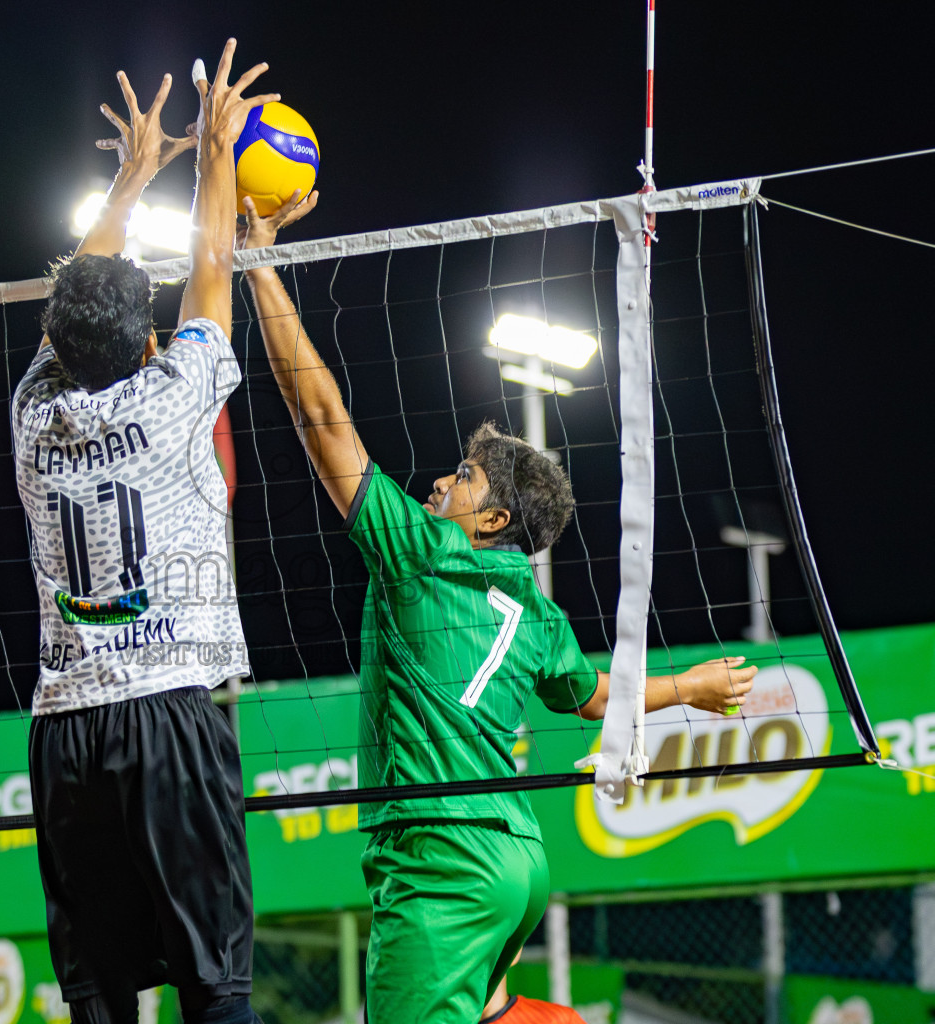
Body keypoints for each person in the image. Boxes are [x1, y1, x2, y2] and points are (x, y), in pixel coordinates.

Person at [238, 195, 758, 1024]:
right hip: (517, 863)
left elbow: (318, 414)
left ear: (492, 523)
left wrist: (253, 262)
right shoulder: (535, 610)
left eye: (463, 478)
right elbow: (594, 696)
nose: (440, 482)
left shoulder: (420, 552)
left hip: (442, 863)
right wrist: (684, 687)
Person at [10, 40, 275, 1024]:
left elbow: (73, 303)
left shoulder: (32, 416)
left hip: (66, 726)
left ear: (59, 342)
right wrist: (216, 147)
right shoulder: (176, 397)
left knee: (100, 995)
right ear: (146, 337)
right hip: (168, 711)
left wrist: (133, 172)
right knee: (217, 985)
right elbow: (215, 263)